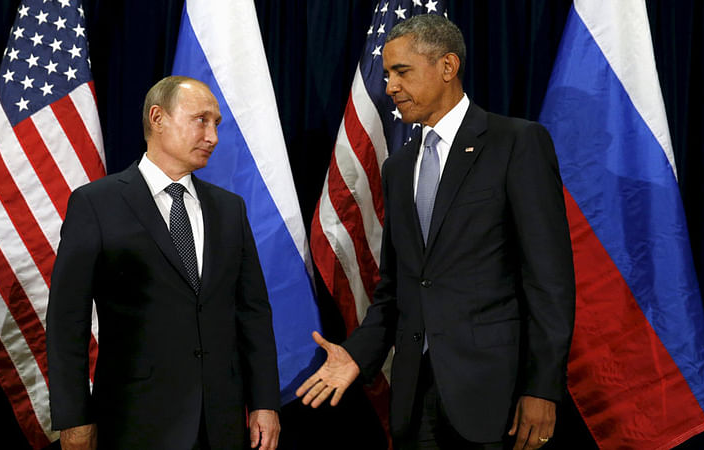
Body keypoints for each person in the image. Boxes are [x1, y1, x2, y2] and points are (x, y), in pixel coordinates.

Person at [296, 14, 575, 450]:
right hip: (414, 397)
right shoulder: (399, 166)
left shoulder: (516, 143)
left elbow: (549, 280)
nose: (389, 86)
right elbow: (395, 289)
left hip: (495, 397)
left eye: (401, 72)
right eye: (387, 73)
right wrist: (356, 353)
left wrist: (542, 388)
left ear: (447, 67)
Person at [47, 76, 281, 450]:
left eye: (216, 124)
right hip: (134, 423)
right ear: (157, 118)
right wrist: (74, 418)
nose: (213, 137)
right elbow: (66, 322)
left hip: (221, 423)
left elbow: (252, 312)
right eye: (201, 120)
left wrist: (266, 403)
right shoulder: (96, 204)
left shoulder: (229, 209)